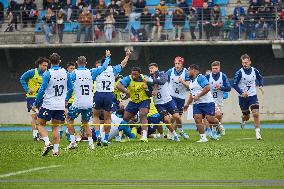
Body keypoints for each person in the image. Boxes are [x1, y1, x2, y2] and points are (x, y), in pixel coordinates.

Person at [66, 54, 110, 150]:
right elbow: (104, 67)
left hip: (77, 102)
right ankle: (91, 144)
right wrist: (107, 57)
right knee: (85, 122)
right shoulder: (91, 72)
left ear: (77, 63)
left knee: (69, 119)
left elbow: (69, 88)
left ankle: (73, 142)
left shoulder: (73, 73)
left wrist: (66, 99)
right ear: (86, 63)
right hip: (89, 102)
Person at [32, 53, 72, 156]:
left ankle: (47, 142)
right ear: (60, 61)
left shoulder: (47, 73)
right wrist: (66, 99)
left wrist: (36, 103)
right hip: (60, 105)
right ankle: (56, 151)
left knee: (39, 124)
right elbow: (71, 88)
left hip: (48, 104)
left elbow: (42, 90)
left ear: (50, 62)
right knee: (55, 127)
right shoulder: (65, 72)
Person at [93, 49, 131, 146]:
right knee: (108, 118)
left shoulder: (97, 70)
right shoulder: (113, 69)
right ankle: (105, 139)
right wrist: (127, 56)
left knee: (96, 115)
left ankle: (98, 135)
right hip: (109, 95)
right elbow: (123, 64)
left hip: (99, 94)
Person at [147, 63, 182, 141]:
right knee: (166, 120)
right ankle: (174, 135)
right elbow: (148, 92)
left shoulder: (163, 74)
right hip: (158, 103)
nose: (150, 70)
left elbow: (162, 81)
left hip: (168, 100)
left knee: (177, 117)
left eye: (152, 68)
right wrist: (150, 91)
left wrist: (152, 82)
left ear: (157, 68)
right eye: (149, 68)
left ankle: (181, 130)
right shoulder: (148, 78)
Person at [184, 64, 219, 142]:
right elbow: (191, 94)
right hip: (197, 104)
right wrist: (187, 104)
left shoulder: (201, 78)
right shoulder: (191, 82)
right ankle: (203, 138)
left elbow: (207, 88)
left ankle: (217, 125)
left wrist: (198, 96)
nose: (187, 72)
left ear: (194, 70)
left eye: (189, 70)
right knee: (197, 118)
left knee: (210, 119)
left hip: (207, 102)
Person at [233, 54, 264, 140]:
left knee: (255, 113)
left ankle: (258, 132)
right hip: (243, 98)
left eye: (246, 62)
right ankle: (243, 119)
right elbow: (234, 85)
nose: (244, 64)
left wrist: (261, 85)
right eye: (243, 63)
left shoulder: (254, 70)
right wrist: (242, 92)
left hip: (252, 96)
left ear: (250, 62)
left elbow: (260, 78)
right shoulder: (239, 72)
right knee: (247, 117)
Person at [116, 67, 151, 142]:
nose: (134, 76)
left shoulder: (145, 78)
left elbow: (151, 91)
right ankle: (122, 135)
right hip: (133, 101)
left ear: (139, 74)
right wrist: (126, 91)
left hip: (144, 100)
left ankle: (144, 136)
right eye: (132, 74)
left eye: (136, 74)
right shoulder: (128, 78)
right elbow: (118, 86)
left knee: (142, 114)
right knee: (125, 118)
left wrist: (147, 88)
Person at [20, 57, 49, 141]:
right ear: (39, 65)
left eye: (47, 66)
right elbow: (22, 79)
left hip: (43, 98)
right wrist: (27, 89)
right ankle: (35, 135)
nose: (45, 67)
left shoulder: (47, 73)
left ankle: (40, 134)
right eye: (44, 65)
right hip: (32, 97)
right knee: (35, 115)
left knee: (42, 117)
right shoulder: (32, 72)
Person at [205, 61, 231, 136]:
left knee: (218, 117)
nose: (214, 70)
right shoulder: (207, 77)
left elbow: (229, 88)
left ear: (219, 68)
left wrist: (221, 88)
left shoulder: (223, 76)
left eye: (216, 68)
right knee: (217, 115)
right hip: (209, 101)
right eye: (213, 68)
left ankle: (216, 130)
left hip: (219, 101)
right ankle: (216, 129)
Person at [167, 56, 190, 139]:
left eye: (179, 63)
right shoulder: (170, 71)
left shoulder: (186, 72)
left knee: (178, 117)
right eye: (176, 63)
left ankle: (172, 132)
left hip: (181, 97)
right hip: (171, 96)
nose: (177, 65)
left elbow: (189, 86)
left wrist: (182, 82)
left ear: (182, 64)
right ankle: (171, 132)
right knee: (174, 115)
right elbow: (164, 81)